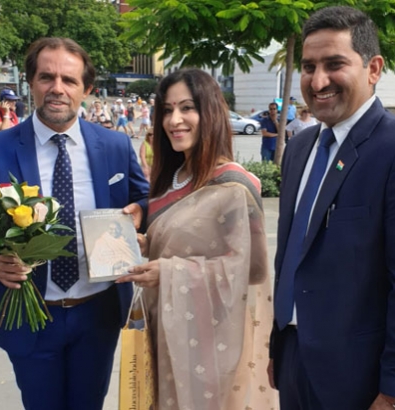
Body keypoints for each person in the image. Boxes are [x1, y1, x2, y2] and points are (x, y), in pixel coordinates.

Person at [268, 6, 395, 410]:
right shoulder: (299, 149)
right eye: (309, 67)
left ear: (373, 69)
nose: (318, 81)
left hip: (365, 382)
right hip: (295, 362)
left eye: (334, 64)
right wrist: (279, 346)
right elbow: (292, 257)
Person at [0, 37, 150, 410]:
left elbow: (144, 200)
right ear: (31, 82)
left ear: (86, 89)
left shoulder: (114, 146)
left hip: (97, 312)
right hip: (29, 313)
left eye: (69, 80)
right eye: (46, 77)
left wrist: (140, 213)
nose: (57, 88)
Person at [116, 68, 277, 409]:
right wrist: (146, 245)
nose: (174, 120)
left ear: (210, 113)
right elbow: (178, 239)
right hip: (163, 326)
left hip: (208, 340)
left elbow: (253, 269)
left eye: (187, 108)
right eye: (167, 110)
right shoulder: (171, 177)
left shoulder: (233, 185)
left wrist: (171, 272)